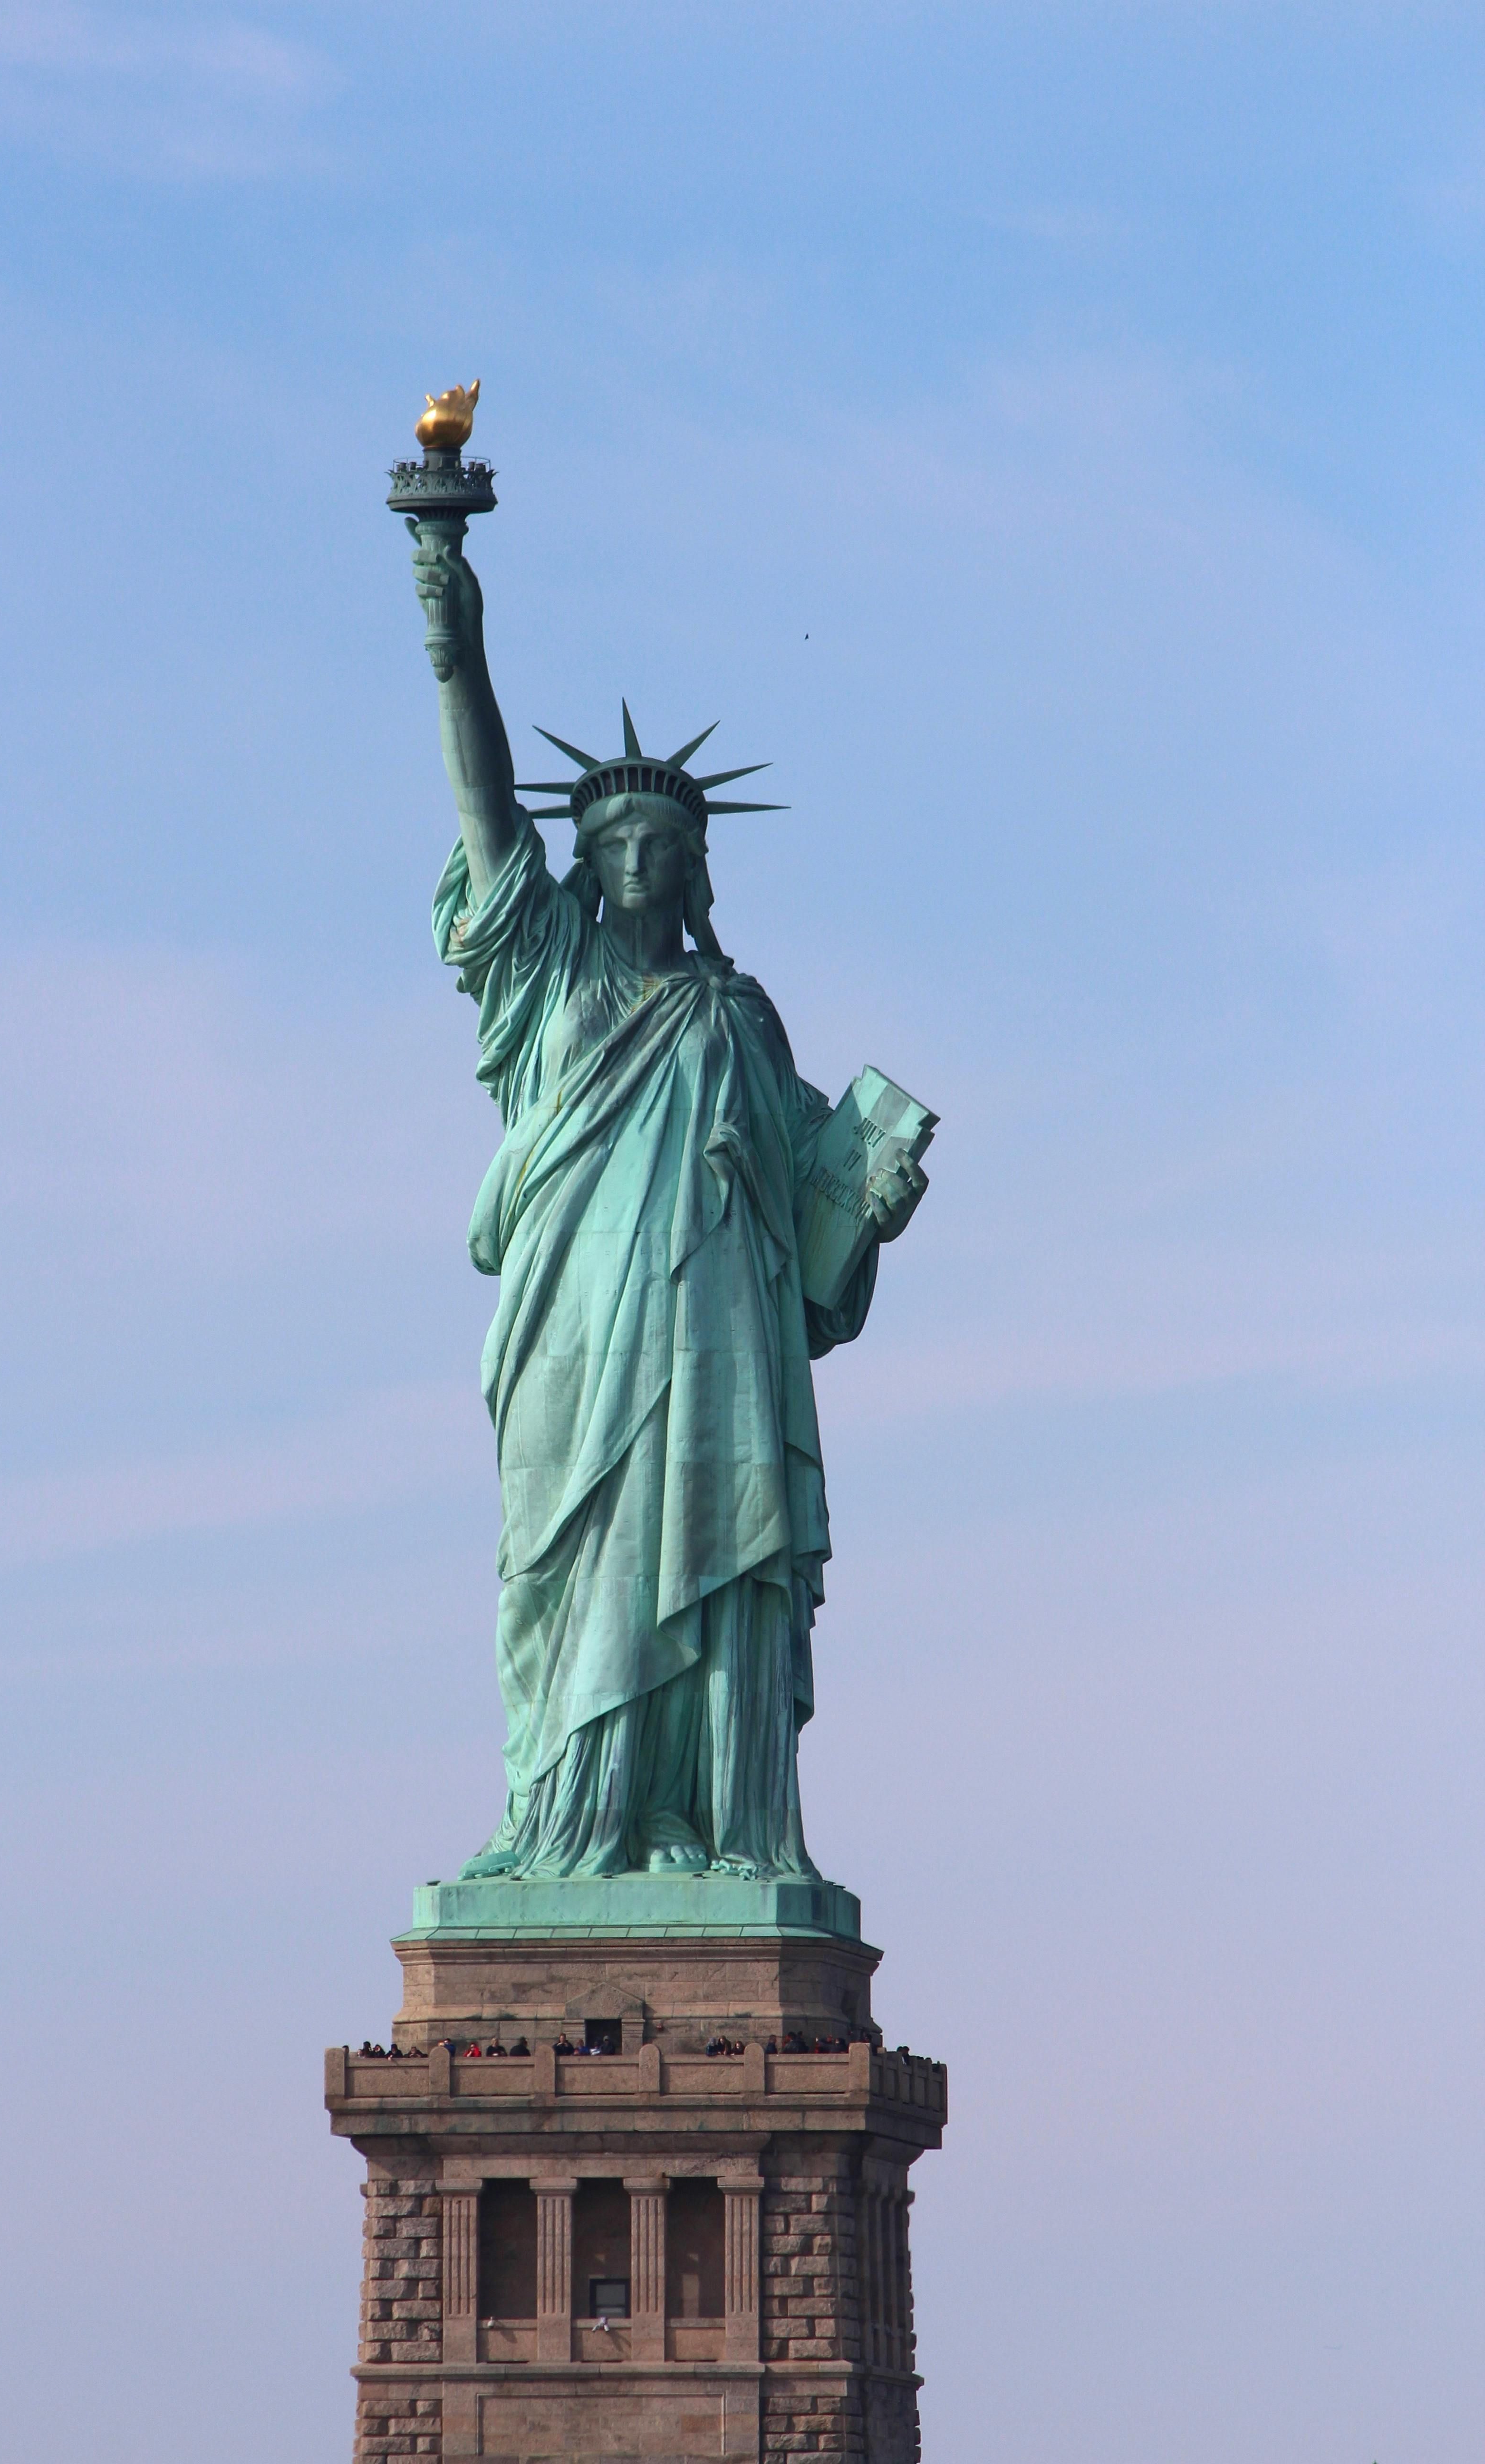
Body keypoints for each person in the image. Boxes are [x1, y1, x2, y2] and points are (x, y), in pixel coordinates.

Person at [411, 529, 926, 1882]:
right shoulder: (543, 984)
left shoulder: (737, 1017)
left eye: (662, 840)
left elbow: (817, 1214)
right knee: (568, 1570)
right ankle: (567, 1826)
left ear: (697, 869)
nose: (637, 857)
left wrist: (875, 1203)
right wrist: (454, 632)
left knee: (713, 1558)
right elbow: (481, 802)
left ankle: (711, 1822)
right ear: (581, 863)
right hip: (574, 1343)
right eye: (614, 837)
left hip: (716, 1350)